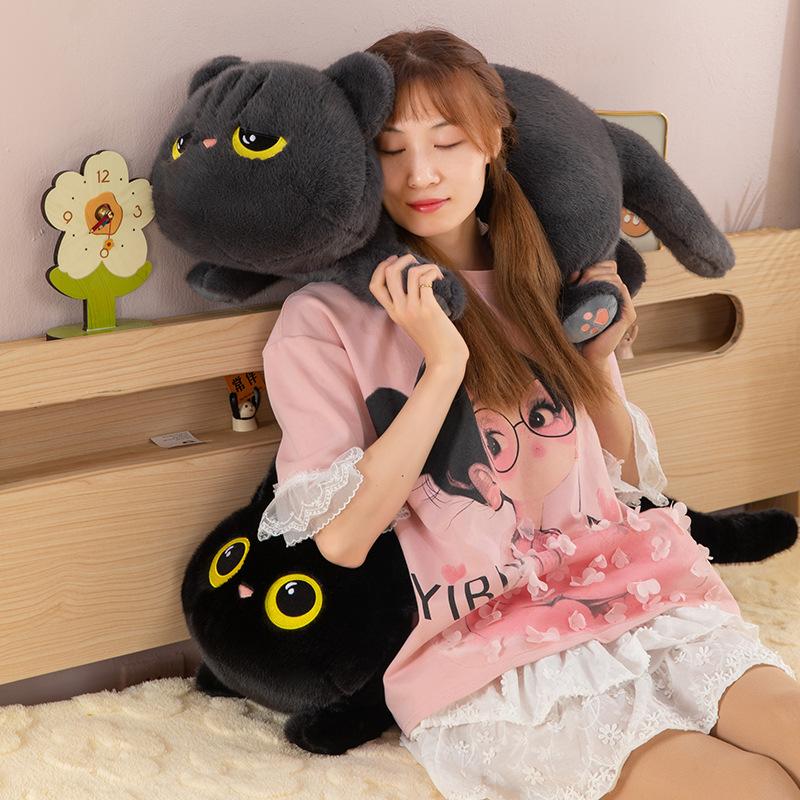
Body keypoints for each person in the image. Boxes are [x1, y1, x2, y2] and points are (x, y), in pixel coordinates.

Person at [258, 28, 800, 800]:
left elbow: (620, 468)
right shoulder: (324, 321)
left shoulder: (547, 271)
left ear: (492, 143)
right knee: (753, 789)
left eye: (447, 142)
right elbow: (341, 540)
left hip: (640, 592)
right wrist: (443, 366)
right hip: (488, 652)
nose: (420, 174)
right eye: (390, 149)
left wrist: (596, 357)